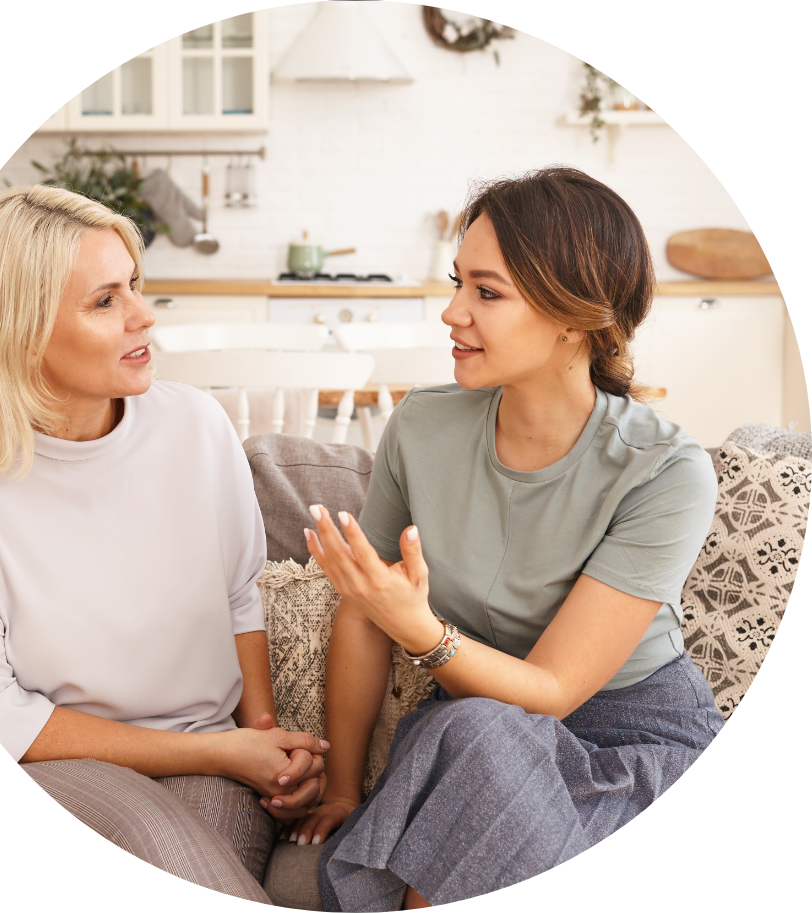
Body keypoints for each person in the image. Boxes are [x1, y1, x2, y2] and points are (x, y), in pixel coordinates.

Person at [292, 167, 724, 909]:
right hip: (470, 731)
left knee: (484, 742)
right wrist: (339, 787)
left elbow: (553, 691)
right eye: (457, 282)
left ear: (573, 316)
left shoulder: (663, 470)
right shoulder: (421, 426)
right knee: (480, 737)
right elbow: (363, 610)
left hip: (633, 744)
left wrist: (418, 628)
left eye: (486, 293)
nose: (450, 312)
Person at [0, 185, 328, 900]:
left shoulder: (195, 424)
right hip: (58, 765)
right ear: (22, 327)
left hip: (208, 758)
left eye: (134, 285)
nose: (143, 315)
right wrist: (220, 748)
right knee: (162, 846)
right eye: (105, 300)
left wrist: (263, 745)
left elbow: (241, 597)